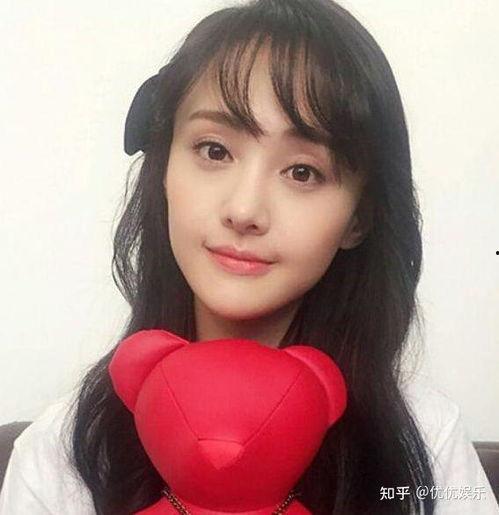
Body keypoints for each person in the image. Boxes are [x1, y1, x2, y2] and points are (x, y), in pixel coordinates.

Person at [0, 0, 497, 513]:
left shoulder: (425, 446)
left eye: (302, 172)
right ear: (163, 169)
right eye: (214, 150)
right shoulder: (64, 454)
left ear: (358, 218)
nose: (244, 210)